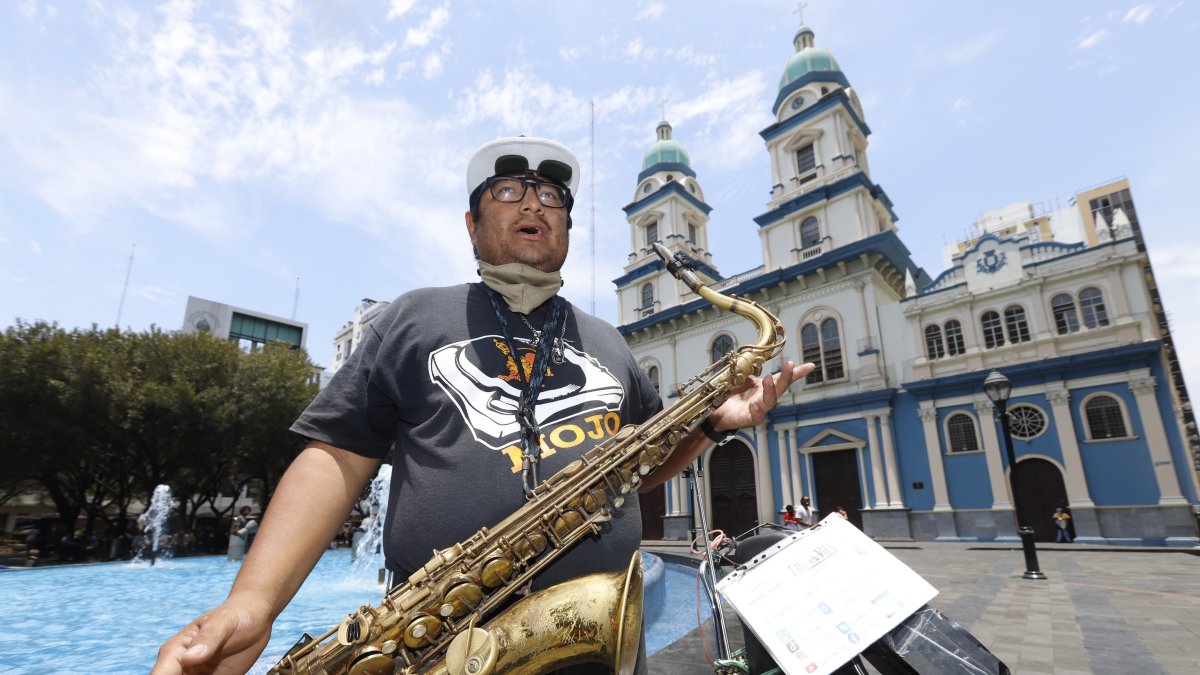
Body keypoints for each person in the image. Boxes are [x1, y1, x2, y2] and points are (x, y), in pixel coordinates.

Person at [152, 136, 813, 675]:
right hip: (442, 643)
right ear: (471, 223)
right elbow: (336, 455)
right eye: (509, 189)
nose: (536, 202)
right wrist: (253, 601)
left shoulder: (610, 342)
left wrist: (713, 422)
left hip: (599, 650)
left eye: (552, 194)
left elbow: (641, 462)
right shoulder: (411, 318)